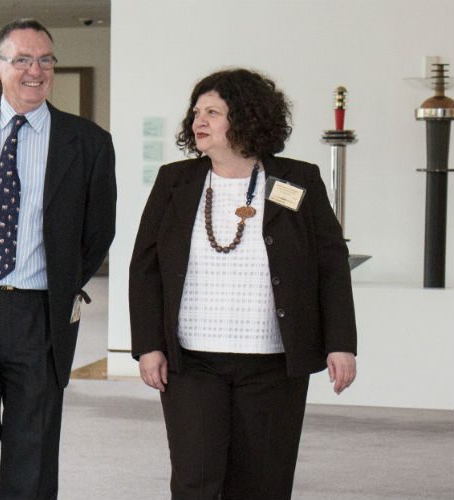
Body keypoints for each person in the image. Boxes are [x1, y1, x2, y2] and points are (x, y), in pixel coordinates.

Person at [129, 68, 358, 500]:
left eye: (213, 112)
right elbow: (145, 268)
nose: (199, 120)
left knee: (263, 484)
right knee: (195, 480)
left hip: (273, 363)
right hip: (193, 362)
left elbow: (331, 265)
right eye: (197, 112)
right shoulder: (174, 181)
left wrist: (340, 342)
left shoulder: (297, 179)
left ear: (248, 118)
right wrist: (148, 344)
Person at [0, 18, 117, 500]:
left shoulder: (88, 142)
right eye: (23, 59)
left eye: (46, 60)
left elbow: (98, 231)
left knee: (32, 455)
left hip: (40, 316)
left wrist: (63, 279)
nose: (37, 70)